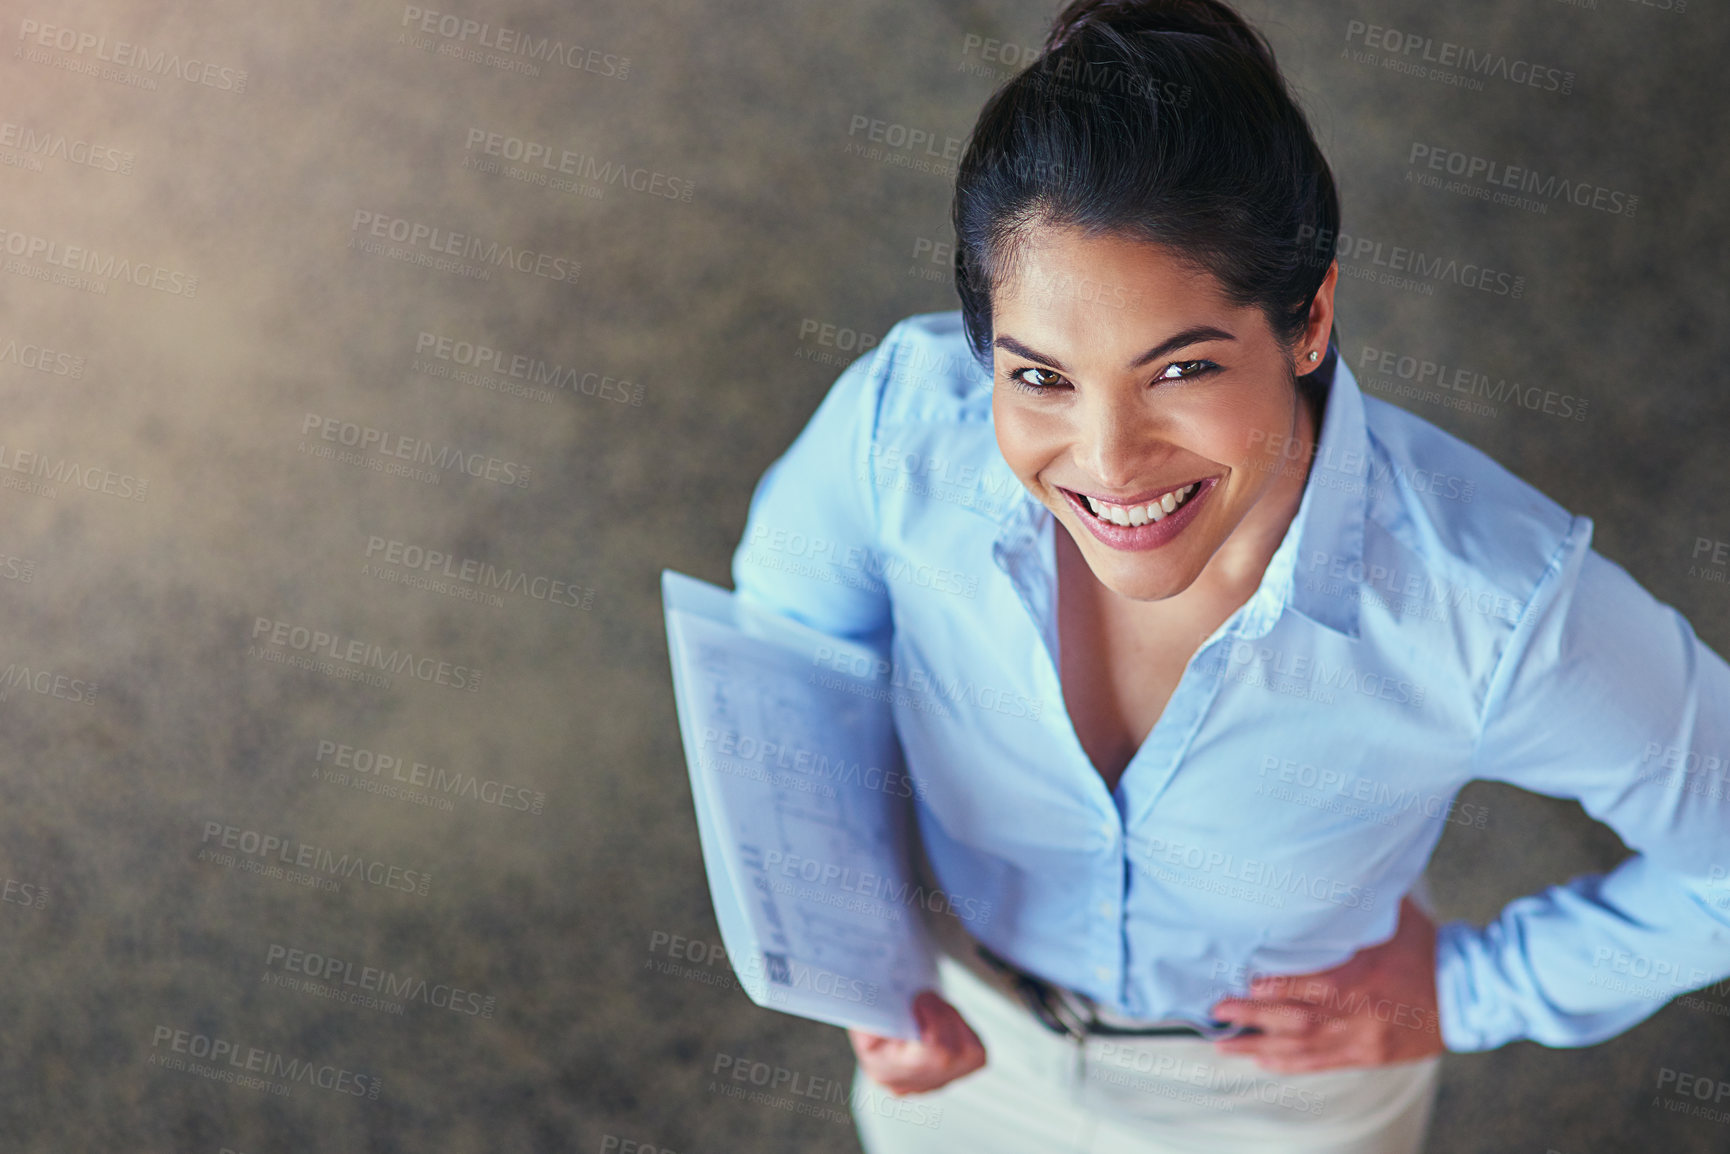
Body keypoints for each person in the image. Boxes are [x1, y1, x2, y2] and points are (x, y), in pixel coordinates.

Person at [729, 1, 1730, 1150]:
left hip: (1274, 1108)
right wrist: (857, 947)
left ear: (1308, 319)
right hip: (955, 1046)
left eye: (1182, 367)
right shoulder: (896, 427)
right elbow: (791, 648)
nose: (1106, 462)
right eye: (1040, 378)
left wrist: (1463, 990)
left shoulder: (1491, 605)